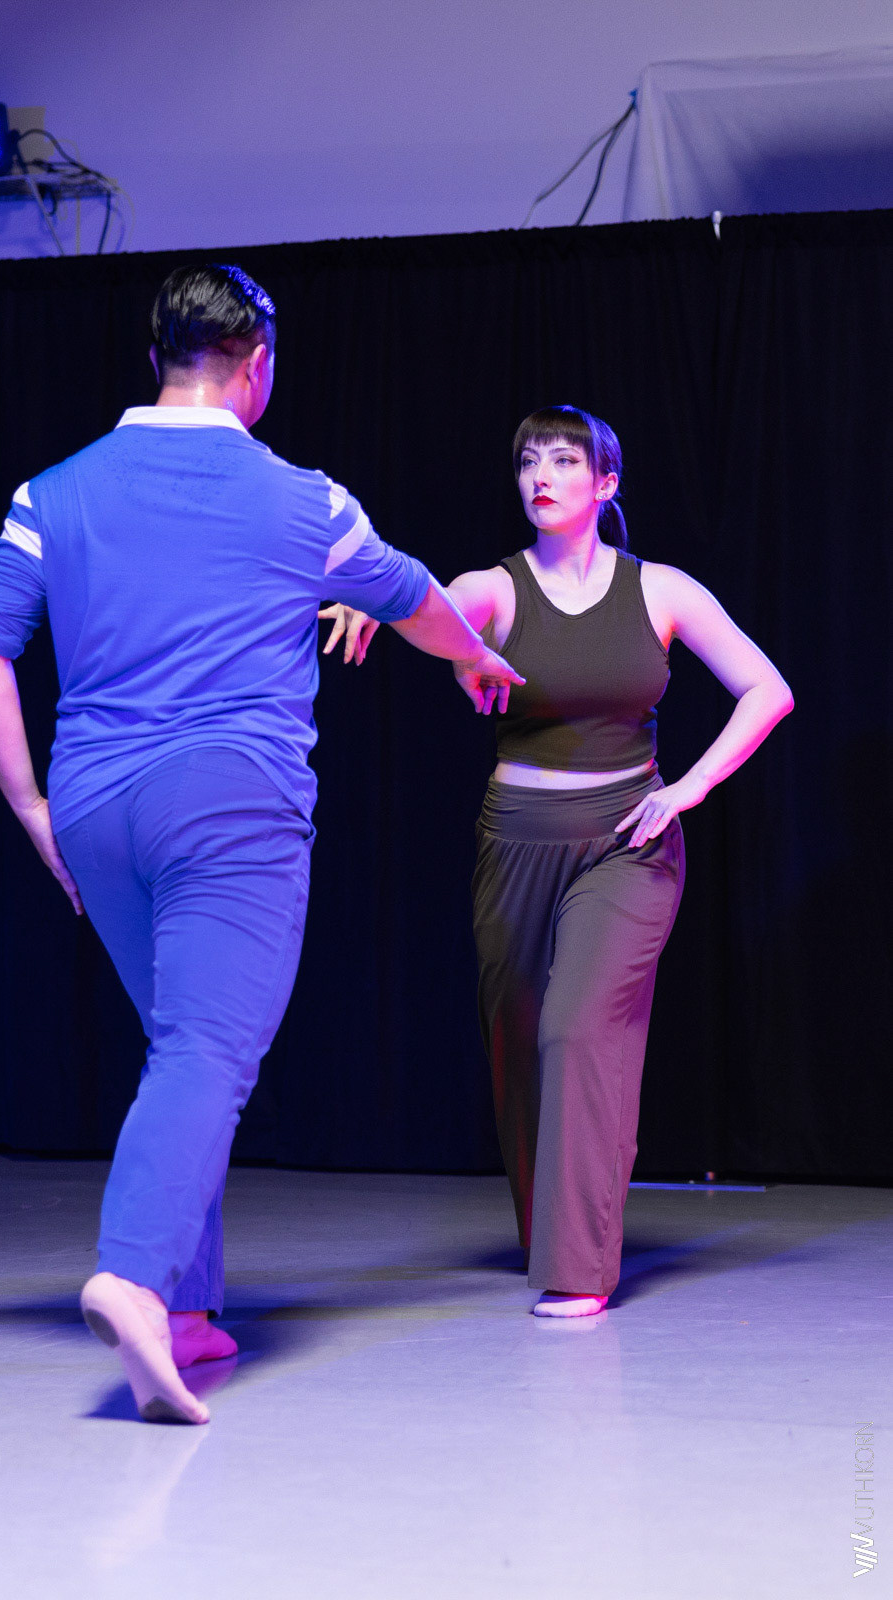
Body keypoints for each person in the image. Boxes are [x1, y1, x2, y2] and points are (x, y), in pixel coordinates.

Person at [0, 263, 523, 1422]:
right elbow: (413, 598)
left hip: (93, 809)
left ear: (156, 358)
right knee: (208, 1045)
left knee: (181, 1041)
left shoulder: (49, 492)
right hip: (229, 803)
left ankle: (190, 1309)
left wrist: (30, 806)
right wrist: (472, 654)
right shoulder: (304, 500)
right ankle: (133, 1278)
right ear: (255, 363)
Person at [322, 404, 793, 1318]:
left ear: (604, 483)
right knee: (520, 1043)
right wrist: (372, 603)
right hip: (515, 841)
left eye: (564, 460)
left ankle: (578, 1265)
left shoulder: (661, 591)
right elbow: (429, 608)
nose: (540, 475)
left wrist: (688, 788)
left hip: (627, 843)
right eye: (528, 461)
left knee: (578, 1032)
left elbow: (765, 690)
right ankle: (556, 1229)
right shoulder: (496, 588)